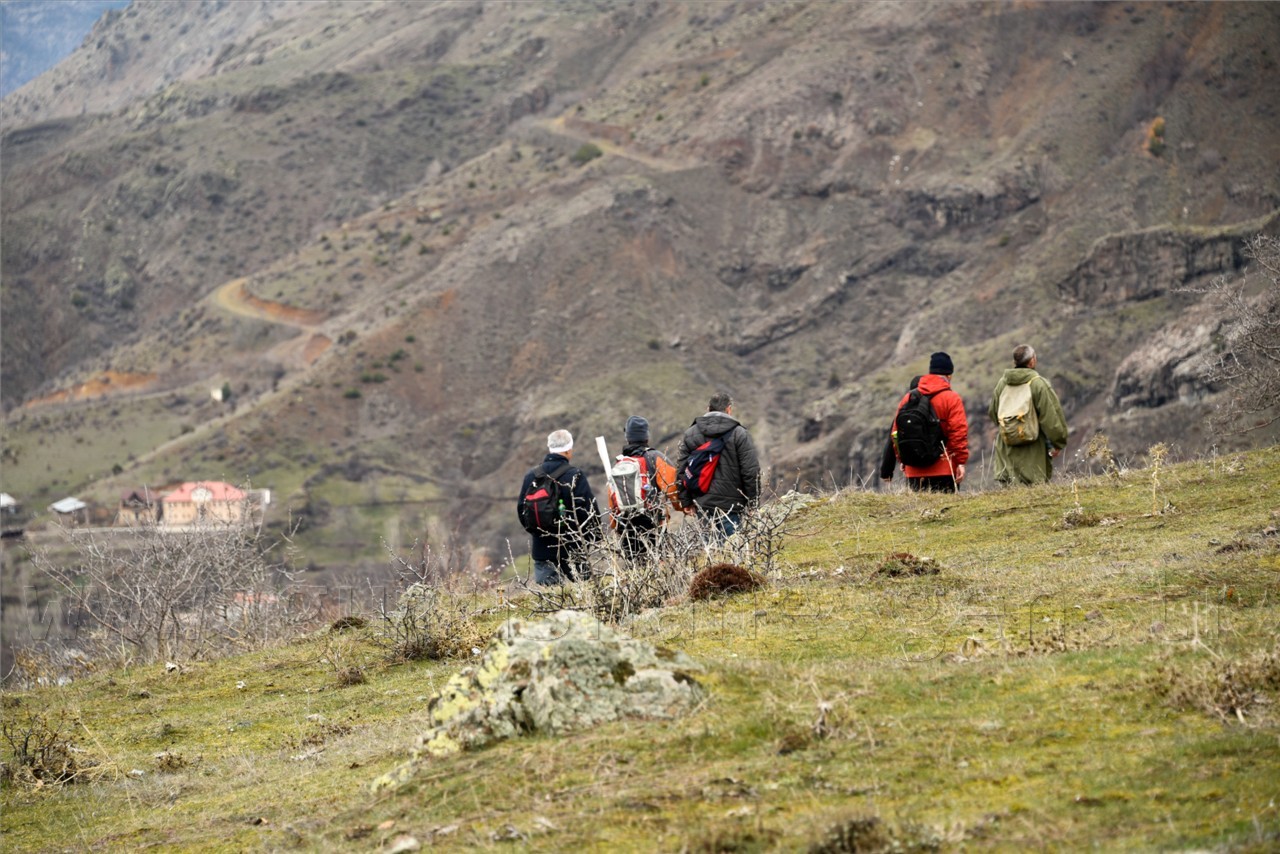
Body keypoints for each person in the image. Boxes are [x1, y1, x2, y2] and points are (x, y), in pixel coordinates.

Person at [517, 429, 602, 585]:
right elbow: (588, 510)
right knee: (582, 596)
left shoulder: (532, 475)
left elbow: (522, 511)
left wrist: (538, 532)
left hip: (542, 549)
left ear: (550, 447)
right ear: (568, 450)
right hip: (573, 547)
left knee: (550, 600)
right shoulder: (575, 475)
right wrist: (593, 537)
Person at [675, 392, 760, 540]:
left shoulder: (691, 433)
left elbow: (682, 470)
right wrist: (753, 502)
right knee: (734, 552)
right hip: (732, 506)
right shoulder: (739, 433)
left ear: (708, 408)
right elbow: (750, 471)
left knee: (710, 554)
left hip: (702, 503)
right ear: (729, 409)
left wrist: (686, 501)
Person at [988, 344, 1069, 485]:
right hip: (1033, 450)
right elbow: (1051, 418)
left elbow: (993, 413)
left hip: (1007, 450)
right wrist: (1058, 442)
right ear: (1032, 361)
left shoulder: (1002, 384)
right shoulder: (1039, 384)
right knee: (1034, 496)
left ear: (1015, 362)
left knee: (1010, 495)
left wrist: (1010, 426)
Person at [890, 352, 969, 492]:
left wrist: (902, 458)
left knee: (916, 512)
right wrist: (960, 462)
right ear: (949, 375)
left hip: (913, 470)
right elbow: (958, 433)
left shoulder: (908, 398)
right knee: (946, 512)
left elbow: (896, 433)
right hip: (944, 470)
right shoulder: (951, 398)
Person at [608, 415, 684, 561]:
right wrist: (682, 506)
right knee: (660, 567)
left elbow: (612, 500)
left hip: (626, 527)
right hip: (653, 524)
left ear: (627, 437)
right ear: (646, 437)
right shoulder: (654, 457)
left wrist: (615, 527)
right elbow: (673, 488)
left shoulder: (619, 464)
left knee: (636, 569)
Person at [880, 376, 922, 484]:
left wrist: (886, 472)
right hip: (940, 469)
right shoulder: (936, 412)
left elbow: (893, 440)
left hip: (912, 469)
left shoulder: (904, 415)